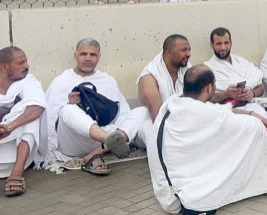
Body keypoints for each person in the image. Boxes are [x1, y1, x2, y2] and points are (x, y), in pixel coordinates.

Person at [147, 65, 267, 215]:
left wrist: (250, 112)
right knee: (255, 128)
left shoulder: (174, 101)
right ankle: (261, 181)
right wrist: (255, 118)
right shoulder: (200, 111)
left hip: (165, 188)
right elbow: (224, 115)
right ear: (209, 88)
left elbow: (220, 111)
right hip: (180, 193)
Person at [45, 39, 148, 174]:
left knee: (143, 111)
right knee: (67, 110)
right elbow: (50, 122)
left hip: (101, 140)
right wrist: (71, 104)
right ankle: (110, 141)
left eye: (92, 55)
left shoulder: (108, 80)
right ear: (75, 55)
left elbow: (123, 114)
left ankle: (96, 152)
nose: (88, 58)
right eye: (83, 54)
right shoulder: (61, 81)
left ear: (99, 56)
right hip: (74, 142)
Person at [0, 47, 46, 197]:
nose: (27, 66)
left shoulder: (29, 80)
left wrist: (10, 126)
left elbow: (37, 107)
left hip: (16, 157)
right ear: (5, 66)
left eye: (26, 61)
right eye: (21, 63)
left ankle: (17, 174)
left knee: (30, 116)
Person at [136, 35, 192, 147]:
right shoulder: (149, 77)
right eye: (183, 50)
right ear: (168, 53)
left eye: (189, 49)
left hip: (183, 120)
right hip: (155, 123)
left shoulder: (188, 70)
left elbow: (199, 101)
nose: (188, 54)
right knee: (150, 130)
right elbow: (158, 117)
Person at [204, 28, 267, 119]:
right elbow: (205, 100)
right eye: (219, 44)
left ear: (231, 43)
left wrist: (252, 93)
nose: (223, 47)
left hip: (251, 105)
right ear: (212, 45)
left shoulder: (241, 62)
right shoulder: (208, 68)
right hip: (227, 111)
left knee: (263, 118)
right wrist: (225, 94)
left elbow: (261, 87)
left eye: (226, 43)